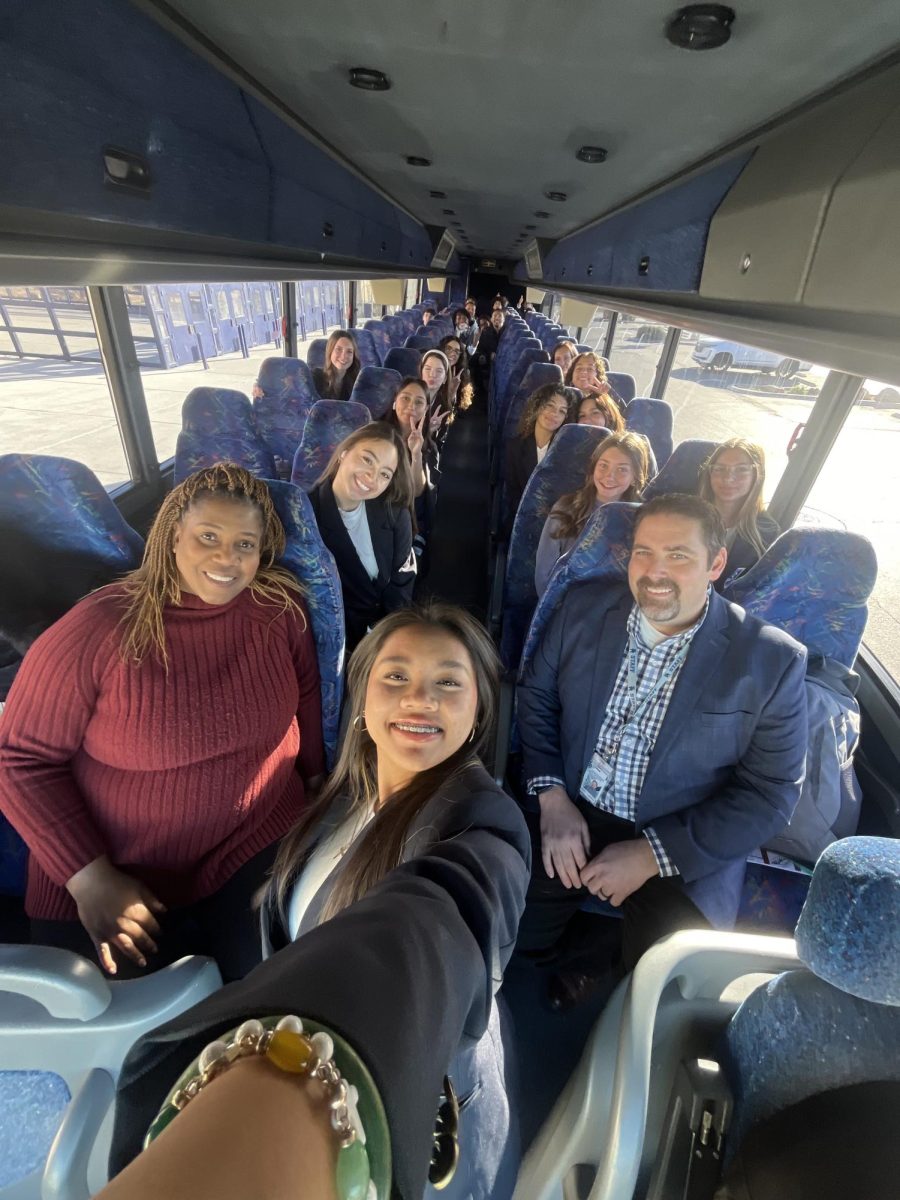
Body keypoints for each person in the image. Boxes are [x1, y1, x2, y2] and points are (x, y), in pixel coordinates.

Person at [104, 606, 531, 1200]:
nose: (420, 699)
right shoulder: (341, 801)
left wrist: (302, 1054)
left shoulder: (484, 821)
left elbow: (440, 914)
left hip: (417, 1114)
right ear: (361, 699)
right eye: (396, 677)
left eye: (448, 683)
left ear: (479, 709)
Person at [0, 464, 324, 982]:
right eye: (209, 537)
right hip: (117, 868)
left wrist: (313, 781)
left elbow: (307, 697)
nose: (227, 558)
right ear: (174, 535)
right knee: (125, 1040)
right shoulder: (99, 629)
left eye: (245, 544)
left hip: (255, 837)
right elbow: (18, 760)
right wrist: (88, 878)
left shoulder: (280, 610)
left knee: (272, 1002)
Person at [515, 493, 807, 1009]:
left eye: (678, 555)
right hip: (574, 804)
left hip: (682, 832)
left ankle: (602, 955)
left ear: (716, 564)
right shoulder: (582, 607)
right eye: (643, 552)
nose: (655, 571)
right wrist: (552, 795)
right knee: (518, 935)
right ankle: (582, 951)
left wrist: (654, 854)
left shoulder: (769, 661)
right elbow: (535, 696)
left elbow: (771, 793)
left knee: (671, 985)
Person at [308, 423, 417, 651]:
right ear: (344, 453)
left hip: (379, 637)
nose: (372, 476)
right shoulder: (303, 515)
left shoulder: (394, 514)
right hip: (324, 642)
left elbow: (401, 582)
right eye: (367, 459)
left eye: (385, 474)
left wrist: (384, 637)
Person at [534, 433, 650, 595]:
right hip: (566, 603)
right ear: (593, 468)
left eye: (622, 469)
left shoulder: (646, 520)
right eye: (603, 465)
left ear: (634, 477)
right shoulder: (566, 508)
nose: (610, 476)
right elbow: (544, 574)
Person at [698, 438, 779, 589]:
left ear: (757, 475)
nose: (728, 478)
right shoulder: (685, 514)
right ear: (710, 474)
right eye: (720, 469)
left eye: (741, 469)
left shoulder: (766, 532)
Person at [385, 379, 438, 576]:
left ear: (426, 409)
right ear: (394, 402)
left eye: (419, 402)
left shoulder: (428, 447)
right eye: (405, 398)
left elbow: (416, 492)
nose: (411, 407)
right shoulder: (377, 435)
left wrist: (416, 454)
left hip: (405, 514)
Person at [503, 383, 571, 533]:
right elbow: (513, 494)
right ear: (538, 406)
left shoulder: (566, 452)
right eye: (550, 406)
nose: (554, 414)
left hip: (555, 524)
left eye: (561, 411)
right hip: (522, 520)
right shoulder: (515, 447)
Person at [311, 330, 360, 402]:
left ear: (353, 356)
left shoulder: (357, 381)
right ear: (330, 351)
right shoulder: (315, 378)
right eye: (338, 349)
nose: (344, 356)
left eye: (349, 351)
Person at [420, 348, 457, 437]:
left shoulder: (444, 406)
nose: (432, 375)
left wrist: (429, 432)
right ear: (421, 373)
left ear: (445, 378)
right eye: (428, 369)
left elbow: (437, 445)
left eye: (439, 371)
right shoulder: (409, 397)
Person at [439, 334, 474, 412]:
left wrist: (452, 392)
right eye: (448, 348)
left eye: (457, 351)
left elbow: (452, 410)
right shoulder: (432, 370)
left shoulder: (460, 375)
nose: (453, 353)